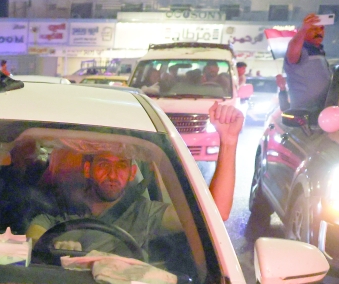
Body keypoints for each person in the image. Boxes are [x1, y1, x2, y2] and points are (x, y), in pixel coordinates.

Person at [26, 101, 243, 252]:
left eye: (121, 165)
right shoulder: (58, 213)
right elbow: (34, 236)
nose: (113, 174)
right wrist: (47, 246)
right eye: (103, 164)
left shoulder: (145, 215)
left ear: (131, 173)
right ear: (87, 169)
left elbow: (217, 212)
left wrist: (229, 141)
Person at [284, 13, 331, 112]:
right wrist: (304, 29)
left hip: (322, 111)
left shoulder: (319, 51)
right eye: (314, 29)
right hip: (303, 113)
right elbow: (293, 52)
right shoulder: (300, 50)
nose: (319, 32)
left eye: (322, 28)